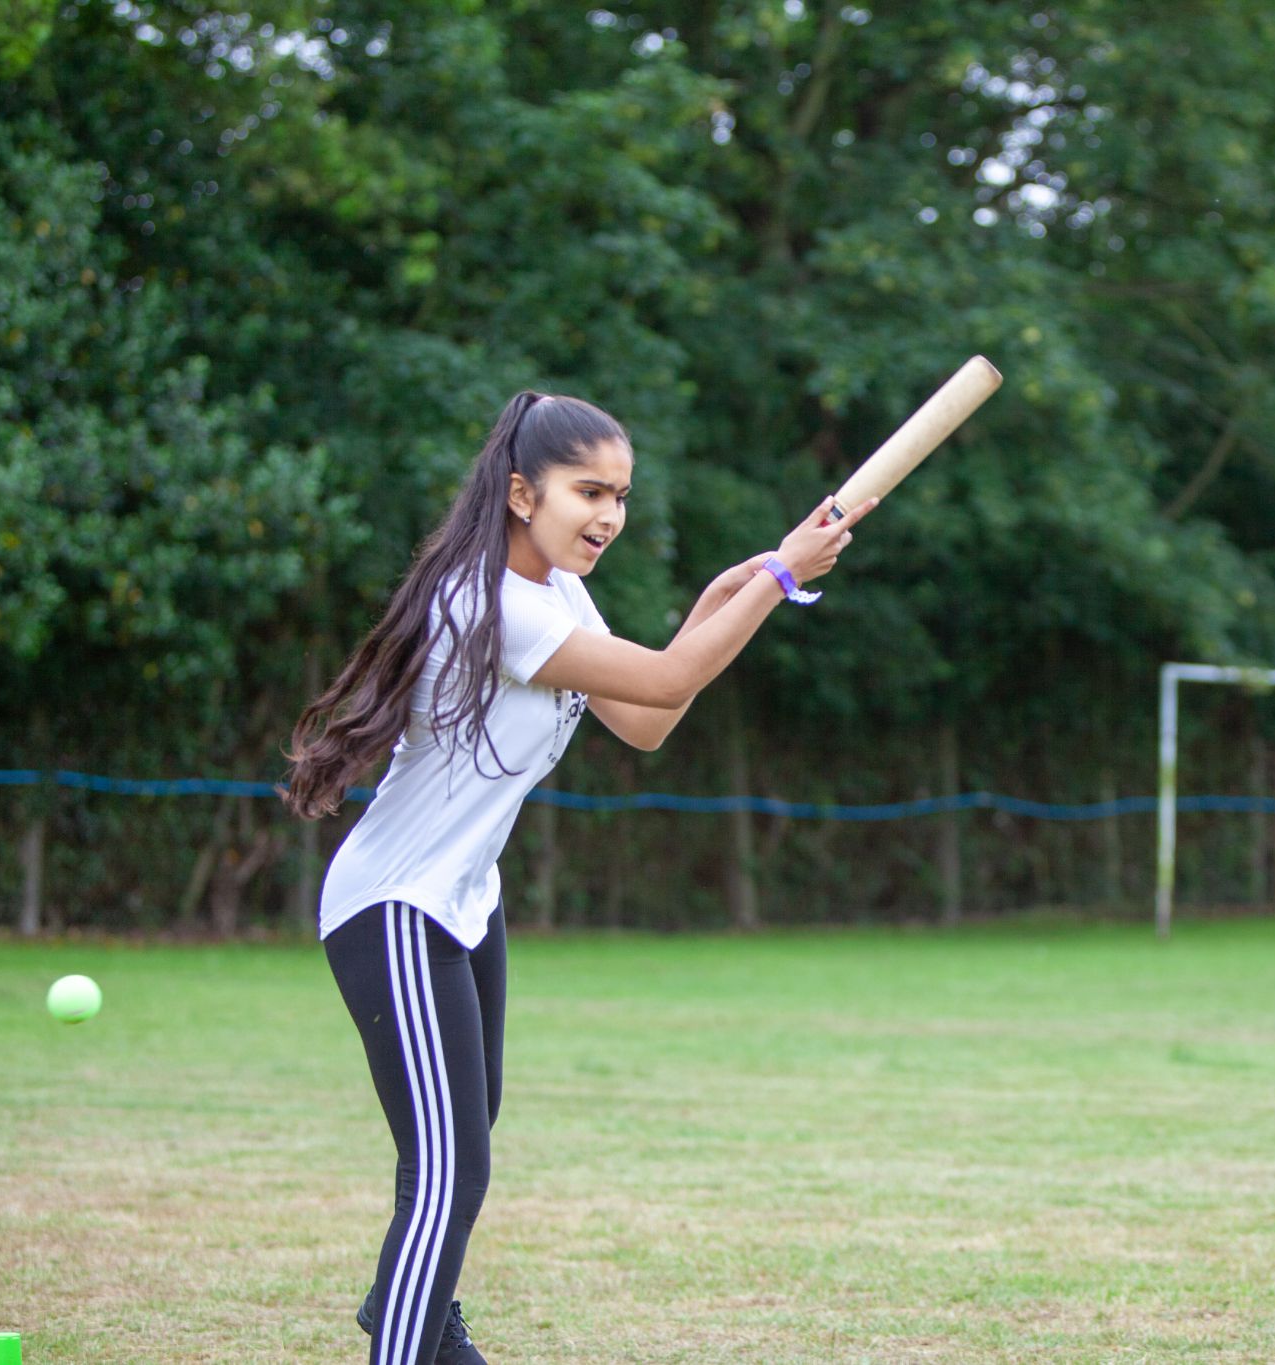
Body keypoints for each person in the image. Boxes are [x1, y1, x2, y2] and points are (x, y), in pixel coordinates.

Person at [279, 390, 874, 1365]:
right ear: (522, 492)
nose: (608, 515)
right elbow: (669, 681)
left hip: (467, 905)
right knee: (449, 1172)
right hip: (394, 907)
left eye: (621, 495)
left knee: (463, 1146)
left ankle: (411, 1313)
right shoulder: (494, 602)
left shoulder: (556, 591)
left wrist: (739, 588)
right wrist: (775, 576)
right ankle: (405, 1330)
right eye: (587, 491)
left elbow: (645, 717)